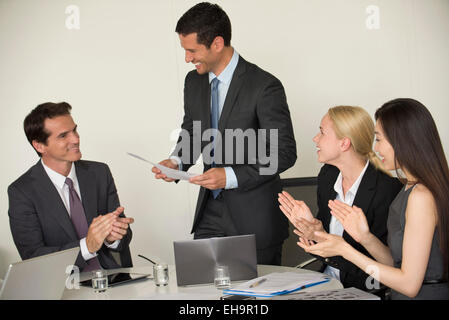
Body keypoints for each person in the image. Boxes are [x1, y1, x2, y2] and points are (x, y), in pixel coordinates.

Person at [152, 2, 297, 265]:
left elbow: (284, 154)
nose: (187, 58)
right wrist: (176, 161)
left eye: (192, 50)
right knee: (203, 290)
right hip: (210, 211)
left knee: (253, 300)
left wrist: (229, 176)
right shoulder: (193, 81)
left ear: (217, 43)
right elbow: (192, 131)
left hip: (255, 219)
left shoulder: (265, 86)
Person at [298, 98, 449, 299]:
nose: (375, 149)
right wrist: (366, 237)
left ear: (402, 141)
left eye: (379, 139)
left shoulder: (420, 196)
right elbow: (395, 265)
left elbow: (409, 284)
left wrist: (345, 250)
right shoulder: (410, 188)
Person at [278, 106, 402, 291]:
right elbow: (327, 248)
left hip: (362, 290)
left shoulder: (386, 191)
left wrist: (334, 252)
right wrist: (314, 229)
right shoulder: (328, 175)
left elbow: (384, 271)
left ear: (344, 143)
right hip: (326, 283)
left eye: (322, 132)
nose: (315, 139)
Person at [8, 102, 134, 272]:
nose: (75, 139)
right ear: (39, 146)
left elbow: (123, 233)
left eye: (74, 130)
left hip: (112, 281)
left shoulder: (99, 173)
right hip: (64, 287)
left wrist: (112, 238)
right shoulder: (22, 191)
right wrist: (87, 246)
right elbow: (33, 258)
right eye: (63, 136)